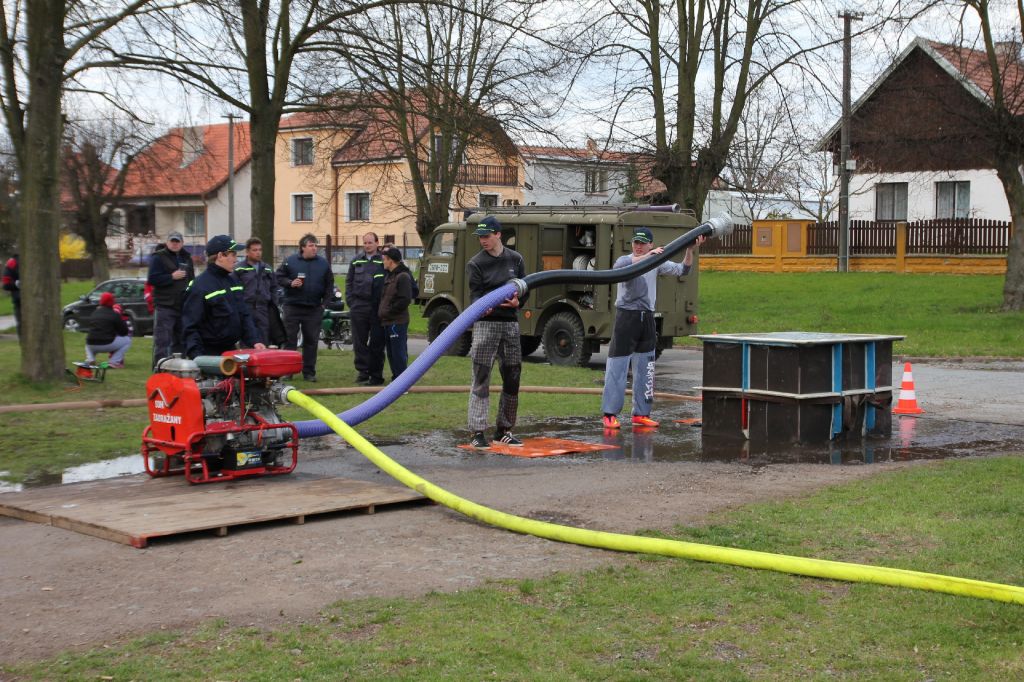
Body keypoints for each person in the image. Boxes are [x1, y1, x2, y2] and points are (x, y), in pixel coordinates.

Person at [601, 227, 704, 429]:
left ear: (650, 244)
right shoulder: (624, 261)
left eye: (642, 243)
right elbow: (619, 269)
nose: (638, 246)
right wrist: (650, 256)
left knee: (646, 368)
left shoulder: (657, 261)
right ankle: (609, 415)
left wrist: (690, 250)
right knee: (617, 367)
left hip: (647, 318)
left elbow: (683, 270)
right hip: (626, 318)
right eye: (635, 243)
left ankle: (641, 414)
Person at [466, 215, 528, 449]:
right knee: (481, 377)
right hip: (485, 326)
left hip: (510, 325)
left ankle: (504, 430)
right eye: (480, 237)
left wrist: (518, 302)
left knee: (512, 377)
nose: (483, 240)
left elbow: (525, 288)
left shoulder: (516, 259)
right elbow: (474, 295)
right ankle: (477, 432)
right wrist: (482, 306)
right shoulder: (475, 263)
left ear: (498, 234)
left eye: (487, 236)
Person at [181, 235, 266, 359]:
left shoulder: (233, 282)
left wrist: (254, 341)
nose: (236, 260)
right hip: (208, 354)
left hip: (230, 351)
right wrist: (198, 358)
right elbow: (190, 326)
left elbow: (244, 315)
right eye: (233, 255)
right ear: (220, 256)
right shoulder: (200, 286)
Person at [275, 233, 334, 382]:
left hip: (314, 308)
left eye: (316, 245)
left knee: (311, 341)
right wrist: (290, 283)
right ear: (302, 248)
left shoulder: (323, 264)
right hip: (292, 306)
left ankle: (309, 372)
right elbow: (278, 277)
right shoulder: (290, 261)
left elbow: (329, 285)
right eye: (311, 245)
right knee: (290, 340)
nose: (314, 248)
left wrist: (324, 304)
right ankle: (288, 371)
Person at [147, 231, 194, 367]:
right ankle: (159, 369)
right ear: (167, 242)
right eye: (172, 241)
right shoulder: (158, 257)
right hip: (165, 305)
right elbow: (152, 279)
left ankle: (178, 369)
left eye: (177, 241)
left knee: (181, 341)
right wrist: (171, 277)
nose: (174, 244)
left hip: (183, 305)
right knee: (163, 341)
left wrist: (191, 295)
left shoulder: (187, 258)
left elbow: (192, 280)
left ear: (182, 243)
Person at [345, 232, 386, 385]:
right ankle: (363, 371)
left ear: (377, 243)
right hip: (359, 305)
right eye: (365, 243)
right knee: (359, 341)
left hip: (376, 306)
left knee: (377, 342)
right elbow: (349, 282)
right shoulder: (356, 260)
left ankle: (375, 371)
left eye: (370, 242)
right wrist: (351, 301)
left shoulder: (383, 260)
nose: (367, 246)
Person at [235, 237, 285, 346]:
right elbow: (234, 290)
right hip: (246, 309)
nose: (258, 253)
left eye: (260, 250)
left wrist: (273, 302)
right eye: (255, 250)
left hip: (263, 310)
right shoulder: (238, 269)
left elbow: (274, 287)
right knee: (247, 340)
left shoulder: (267, 268)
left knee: (264, 340)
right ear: (247, 252)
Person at [378, 246, 414, 381]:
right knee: (391, 353)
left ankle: (402, 382)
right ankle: (396, 379)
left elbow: (405, 299)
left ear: (391, 261)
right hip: (388, 321)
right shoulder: (390, 275)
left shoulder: (403, 276)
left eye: (385, 259)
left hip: (396, 322)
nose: (383, 262)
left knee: (398, 353)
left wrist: (389, 311)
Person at [85, 292, 132, 368]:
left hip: (91, 344)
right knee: (127, 340)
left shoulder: (94, 313)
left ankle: (90, 359)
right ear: (112, 302)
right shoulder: (114, 314)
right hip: (106, 343)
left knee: (89, 341)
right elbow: (124, 332)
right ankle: (114, 362)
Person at [2, 252, 19, 338]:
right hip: (19, 299)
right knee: (22, 325)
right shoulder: (12, 262)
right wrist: (17, 284)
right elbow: (6, 284)